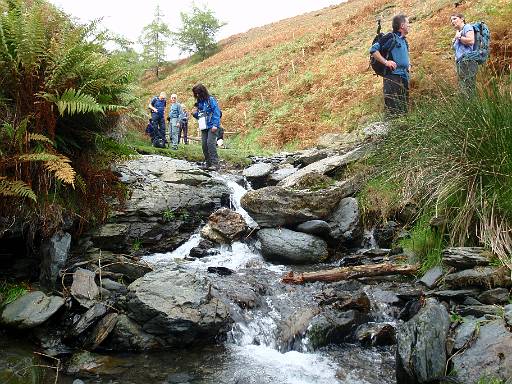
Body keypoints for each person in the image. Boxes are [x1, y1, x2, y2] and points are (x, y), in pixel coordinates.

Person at [370, 14, 411, 116]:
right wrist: (386, 62)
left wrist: (408, 64)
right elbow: (373, 50)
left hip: (404, 77)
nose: (409, 25)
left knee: (403, 109)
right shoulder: (390, 37)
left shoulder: (404, 40)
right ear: (402, 25)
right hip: (392, 77)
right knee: (393, 110)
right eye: (408, 23)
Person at [191, 83, 221, 170]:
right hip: (204, 126)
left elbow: (216, 112)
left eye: (198, 93)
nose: (197, 95)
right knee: (204, 145)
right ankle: (208, 163)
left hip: (212, 126)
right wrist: (194, 114)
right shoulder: (199, 103)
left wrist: (215, 125)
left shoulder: (210, 100)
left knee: (210, 143)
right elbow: (200, 116)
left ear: (202, 92)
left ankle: (215, 163)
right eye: (195, 94)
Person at [450, 13, 477, 95]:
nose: (452, 21)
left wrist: (459, 37)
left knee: (468, 86)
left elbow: (471, 41)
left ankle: (471, 105)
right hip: (460, 62)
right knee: (463, 86)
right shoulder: (458, 31)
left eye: (455, 19)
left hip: (468, 60)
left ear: (462, 19)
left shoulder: (467, 27)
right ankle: (467, 106)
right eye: (451, 20)